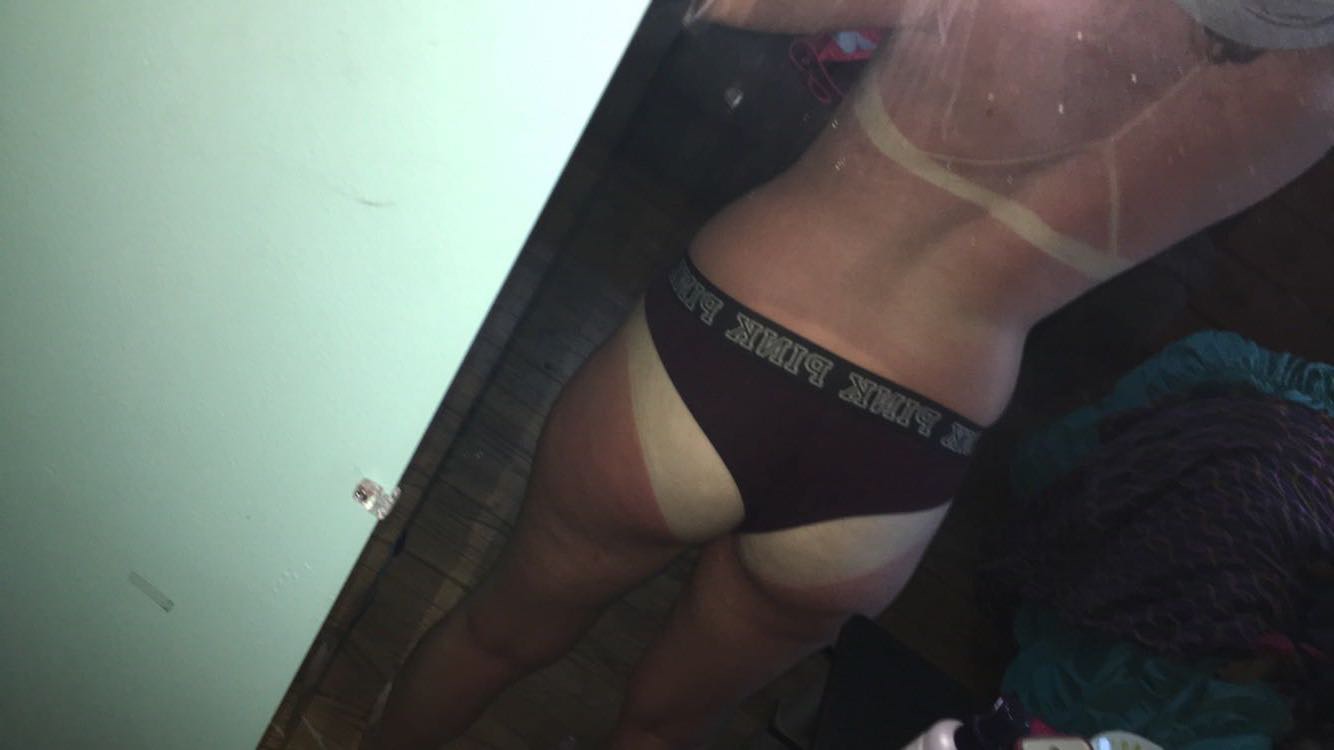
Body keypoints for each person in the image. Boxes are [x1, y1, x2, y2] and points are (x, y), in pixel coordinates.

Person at [363, 1, 1333, 747]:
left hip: (735, 334)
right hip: (906, 453)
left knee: (497, 635)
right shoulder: (1317, 92)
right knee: (664, 729)